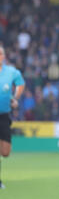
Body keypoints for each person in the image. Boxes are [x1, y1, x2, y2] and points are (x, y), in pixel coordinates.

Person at [0, 46, 25, 189]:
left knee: (5, 152)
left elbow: (20, 84)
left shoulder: (11, 72)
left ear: (4, 56)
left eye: (1, 53)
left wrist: (15, 98)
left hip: (4, 115)